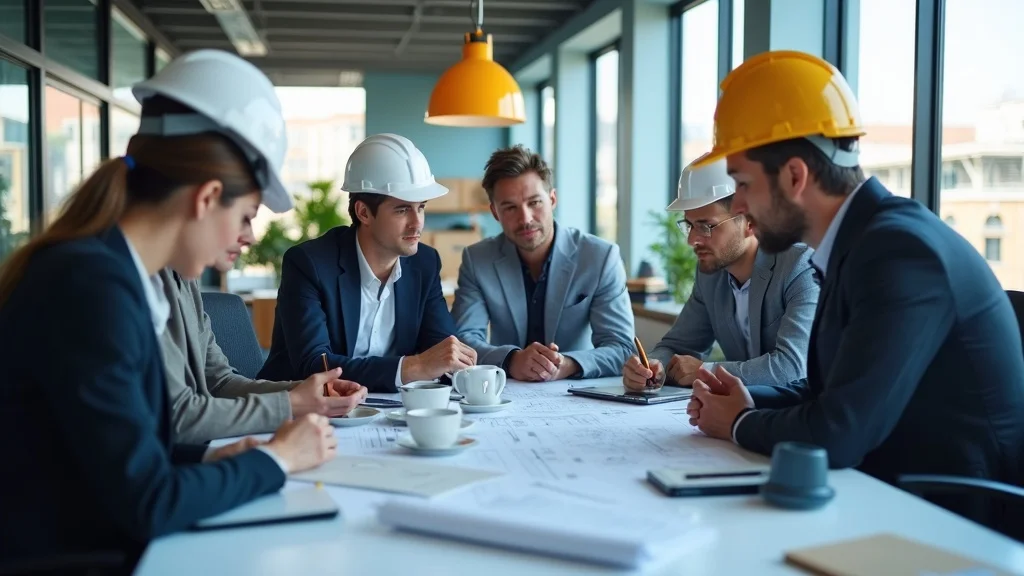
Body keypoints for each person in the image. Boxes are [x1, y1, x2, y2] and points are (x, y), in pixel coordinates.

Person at [0, 50, 338, 568]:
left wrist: (207, 457)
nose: (245, 239)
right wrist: (277, 458)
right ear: (206, 198)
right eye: (245, 215)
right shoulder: (92, 287)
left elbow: (115, 447)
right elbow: (147, 502)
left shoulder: (113, 274)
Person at [684, 50, 1024, 527]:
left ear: (795, 176)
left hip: (953, 521)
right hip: (891, 491)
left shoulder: (900, 253)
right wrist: (748, 401)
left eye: (742, 182)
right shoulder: (861, 243)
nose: (737, 202)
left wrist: (739, 425)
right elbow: (833, 396)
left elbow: (840, 431)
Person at [258, 133, 477, 392]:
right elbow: (314, 365)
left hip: (390, 409)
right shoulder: (309, 264)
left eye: (421, 207)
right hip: (303, 409)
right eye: (402, 209)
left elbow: (440, 349)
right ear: (364, 212)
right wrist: (413, 367)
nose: (417, 223)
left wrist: (451, 362)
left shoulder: (424, 264)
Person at [160, 220, 368, 445]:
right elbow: (178, 418)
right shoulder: (140, 286)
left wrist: (303, 391)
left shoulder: (186, 281)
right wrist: (290, 404)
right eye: (244, 217)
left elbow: (220, 383)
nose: (251, 238)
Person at [622, 156, 818, 391]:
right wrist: (653, 367)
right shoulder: (711, 274)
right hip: (742, 412)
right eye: (690, 225)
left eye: (706, 226)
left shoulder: (800, 265)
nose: (692, 240)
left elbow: (792, 367)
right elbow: (677, 346)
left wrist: (707, 371)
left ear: (750, 222)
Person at [451, 145, 633, 381]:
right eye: (510, 207)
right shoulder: (477, 260)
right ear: (495, 212)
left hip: (576, 394)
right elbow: (463, 339)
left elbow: (622, 348)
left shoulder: (600, 257)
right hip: (504, 391)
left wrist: (568, 364)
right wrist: (511, 360)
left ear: (552, 199)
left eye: (534, 202)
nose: (525, 219)